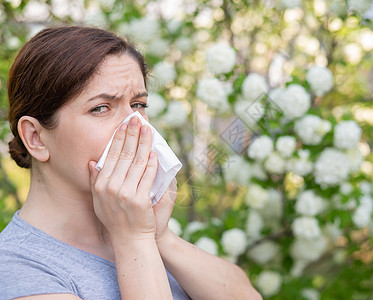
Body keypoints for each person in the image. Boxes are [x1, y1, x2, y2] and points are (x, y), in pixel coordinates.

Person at [0, 26, 262, 300]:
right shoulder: (17, 268)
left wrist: (161, 237)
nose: (134, 125)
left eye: (138, 104)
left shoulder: (141, 230)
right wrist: (133, 240)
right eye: (101, 108)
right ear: (36, 138)